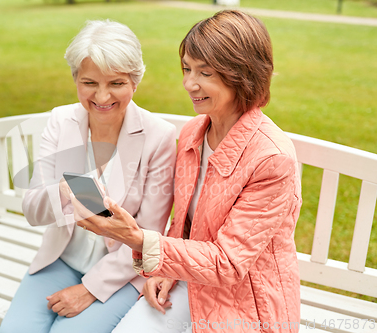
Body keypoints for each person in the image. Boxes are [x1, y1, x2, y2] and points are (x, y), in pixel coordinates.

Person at [72, 10, 302, 333]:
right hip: (190, 282)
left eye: (204, 73)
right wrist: (167, 270)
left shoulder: (273, 159)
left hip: (246, 304)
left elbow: (228, 263)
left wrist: (138, 238)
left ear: (243, 74)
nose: (189, 84)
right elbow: (186, 226)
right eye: (187, 69)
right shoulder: (195, 132)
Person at [0, 20, 177, 333]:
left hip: (122, 272)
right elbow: (33, 211)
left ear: (135, 82)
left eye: (117, 83)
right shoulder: (61, 120)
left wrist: (89, 290)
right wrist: (64, 190)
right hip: (60, 260)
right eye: (90, 82)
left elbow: (149, 236)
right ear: (76, 80)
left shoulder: (158, 137)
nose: (103, 96)